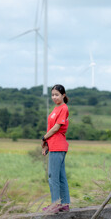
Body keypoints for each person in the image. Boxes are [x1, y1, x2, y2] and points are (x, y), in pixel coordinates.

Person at [41, 84, 70, 213]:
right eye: (52, 95)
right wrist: (47, 143)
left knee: (53, 177)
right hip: (54, 145)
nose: (54, 97)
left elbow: (56, 128)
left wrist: (44, 137)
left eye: (57, 95)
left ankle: (55, 205)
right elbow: (50, 128)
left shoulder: (63, 108)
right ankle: (64, 204)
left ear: (63, 95)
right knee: (61, 176)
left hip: (58, 145)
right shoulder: (55, 109)